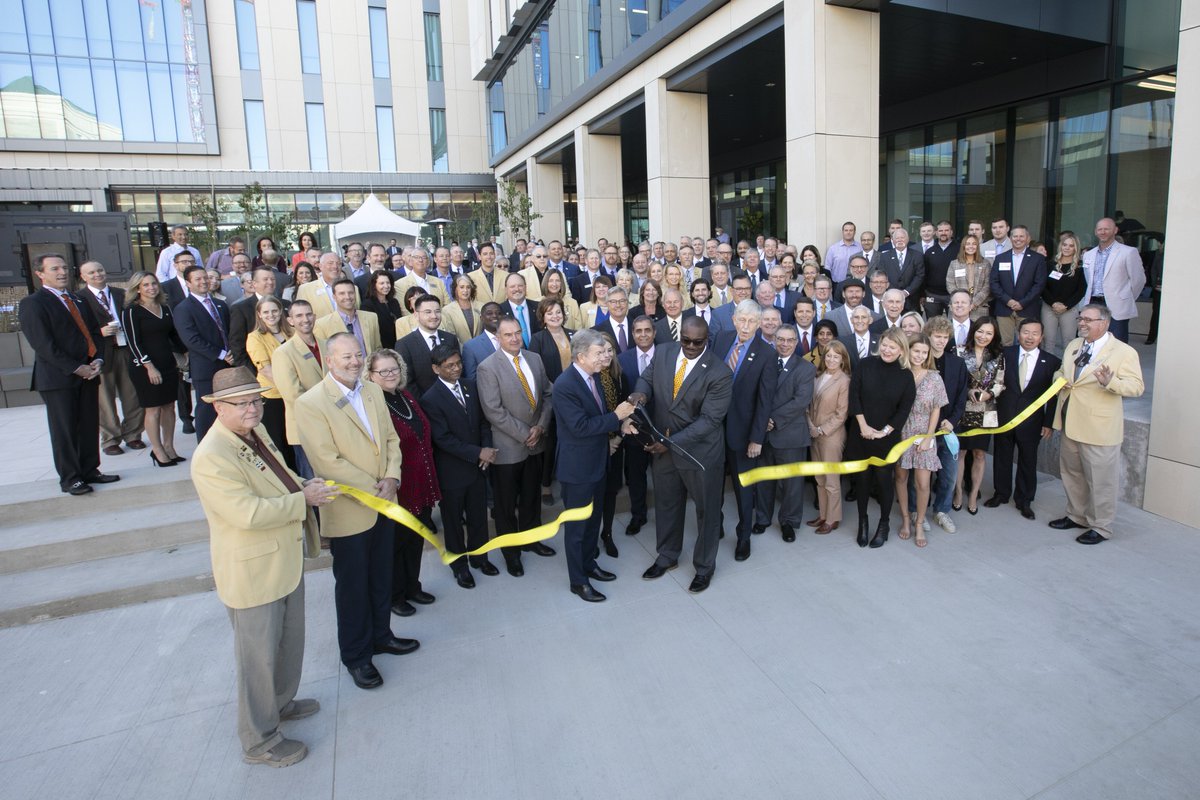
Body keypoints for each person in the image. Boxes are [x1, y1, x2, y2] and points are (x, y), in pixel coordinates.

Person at [190, 367, 332, 768]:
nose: (254, 408)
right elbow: (248, 513)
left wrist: (304, 484)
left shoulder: (253, 433)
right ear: (218, 408)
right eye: (242, 403)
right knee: (257, 659)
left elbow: (282, 477)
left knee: (287, 643)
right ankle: (259, 739)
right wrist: (305, 500)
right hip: (253, 572)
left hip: (282, 560)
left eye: (256, 400)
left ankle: (281, 704)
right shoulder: (211, 456)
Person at [295, 333, 416, 690]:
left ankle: (382, 635)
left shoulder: (373, 390)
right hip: (351, 510)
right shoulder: (311, 403)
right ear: (328, 361)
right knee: (352, 588)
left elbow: (392, 440)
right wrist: (372, 487)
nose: (353, 361)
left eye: (357, 355)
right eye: (345, 356)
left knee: (381, 576)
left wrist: (392, 477)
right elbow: (326, 461)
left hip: (385, 501)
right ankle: (357, 656)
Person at [630, 316, 732, 594]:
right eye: (685, 340)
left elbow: (710, 421)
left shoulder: (720, 373)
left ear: (707, 340)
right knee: (666, 504)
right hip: (663, 448)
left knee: (706, 511)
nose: (689, 346)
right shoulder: (663, 352)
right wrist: (640, 395)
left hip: (699, 454)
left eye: (697, 342)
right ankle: (667, 556)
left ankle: (704, 567)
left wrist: (669, 442)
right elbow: (646, 378)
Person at [19, 254, 118, 495]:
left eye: (64, 267)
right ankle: (71, 478)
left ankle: (89, 470)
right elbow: (43, 344)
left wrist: (97, 360)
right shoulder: (34, 303)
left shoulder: (78, 299)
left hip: (89, 373)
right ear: (40, 274)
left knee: (88, 424)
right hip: (58, 378)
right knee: (65, 429)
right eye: (54, 269)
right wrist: (76, 367)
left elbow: (95, 333)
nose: (62, 272)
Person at [552, 330, 637, 602]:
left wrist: (620, 425)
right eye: (599, 353)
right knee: (577, 529)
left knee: (592, 523)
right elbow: (579, 427)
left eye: (605, 352)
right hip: (577, 470)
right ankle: (578, 581)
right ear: (581, 356)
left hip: (598, 462)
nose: (605, 357)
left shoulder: (597, 377)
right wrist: (616, 416)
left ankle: (589, 564)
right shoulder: (565, 385)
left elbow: (599, 416)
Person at [1050, 305, 1144, 544]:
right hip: (1070, 421)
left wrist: (1111, 382)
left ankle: (1101, 527)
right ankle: (1076, 515)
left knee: (1101, 480)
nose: (1082, 323)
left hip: (1099, 428)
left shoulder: (1123, 352)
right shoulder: (1073, 345)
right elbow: (1062, 371)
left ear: (1104, 323)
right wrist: (1060, 379)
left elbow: (1136, 387)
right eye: (1081, 318)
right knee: (1072, 474)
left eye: (1088, 320)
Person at [476, 317, 557, 577]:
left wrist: (541, 427)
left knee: (532, 499)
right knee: (505, 504)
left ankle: (532, 539)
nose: (514, 338)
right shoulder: (488, 368)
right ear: (498, 338)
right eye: (507, 335)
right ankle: (511, 553)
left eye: (517, 333)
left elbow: (548, 394)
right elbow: (493, 411)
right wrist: (525, 434)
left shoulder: (534, 359)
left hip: (536, 442)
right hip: (508, 448)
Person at [365, 349, 440, 617]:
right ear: (371, 375)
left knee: (415, 538)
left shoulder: (405, 396)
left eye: (394, 369)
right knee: (396, 543)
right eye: (383, 371)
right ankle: (395, 595)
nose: (390, 375)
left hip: (421, 478)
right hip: (399, 484)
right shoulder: (373, 405)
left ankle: (412, 586)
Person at [421, 344, 499, 588]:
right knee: (453, 523)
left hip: (478, 468)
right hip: (452, 472)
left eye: (458, 363)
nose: (456, 369)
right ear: (436, 369)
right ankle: (459, 566)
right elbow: (443, 439)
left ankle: (480, 558)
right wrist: (479, 452)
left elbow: (483, 423)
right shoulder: (430, 399)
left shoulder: (470, 386)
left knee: (478, 517)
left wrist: (486, 450)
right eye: (449, 366)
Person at [714, 300, 778, 561]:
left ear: (759, 323)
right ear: (734, 320)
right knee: (713, 484)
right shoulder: (720, 340)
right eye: (742, 320)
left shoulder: (767, 353)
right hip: (714, 429)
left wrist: (757, 438)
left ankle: (743, 537)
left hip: (743, 433)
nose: (746, 326)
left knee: (743, 488)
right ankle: (714, 525)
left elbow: (765, 401)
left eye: (752, 321)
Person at [985, 319, 1061, 520]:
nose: (1030, 337)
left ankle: (1024, 500)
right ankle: (1000, 494)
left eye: (1035, 333)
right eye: (1026, 332)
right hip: (1005, 416)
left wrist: (1048, 423)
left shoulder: (1052, 361)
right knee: (1002, 457)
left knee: (1028, 461)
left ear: (1042, 337)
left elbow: (1053, 396)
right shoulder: (1005, 354)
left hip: (1032, 421)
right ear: (1019, 334)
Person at [847, 328, 916, 548]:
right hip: (860, 433)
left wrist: (883, 432)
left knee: (885, 482)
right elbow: (854, 396)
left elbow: (904, 410)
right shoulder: (866, 365)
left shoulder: (906, 376)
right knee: (862, 481)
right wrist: (864, 426)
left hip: (886, 438)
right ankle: (863, 522)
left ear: (901, 350)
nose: (887, 350)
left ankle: (884, 524)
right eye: (885, 344)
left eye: (893, 347)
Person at [753, 324, 816, 542]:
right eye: (781, 339)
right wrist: (762, 422)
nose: (785, 344)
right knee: (764, 480)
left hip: (790, 435)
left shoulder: (805, 368)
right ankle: (762, 518)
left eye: (790, 340)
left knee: (791, 484)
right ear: (774, 340)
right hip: (764, 435)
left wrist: (771, 419)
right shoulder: (765, 362)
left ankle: (789, 522)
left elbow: (801, 401)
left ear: (796, 342)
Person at [79, 261, 145, 455]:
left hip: (125, 350)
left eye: (100, 270)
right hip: (101, 353)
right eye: (91, 272)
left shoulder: (121, 294)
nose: (97, 274)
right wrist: (99, 332)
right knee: (105, 399)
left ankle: (133, 435)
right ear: (83, 277)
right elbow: (78, 329)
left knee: (132, 395)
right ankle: (110, 440)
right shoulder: (80, 298)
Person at [122, 271, 187, 467]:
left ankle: (169, 446)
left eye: (154, 284)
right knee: (153, 409)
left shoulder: (164, 307)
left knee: (169, 406)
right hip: (145, 367)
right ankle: (157, 450)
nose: (151, 288)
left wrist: (185, 352)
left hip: (167, 363)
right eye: (146, 285)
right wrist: (149, 366)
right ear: (137, 289)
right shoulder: (132, 311)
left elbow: (173, 335)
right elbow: (133, 342)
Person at [894, 334, 949, 547]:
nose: (920, 355)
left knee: (923, 483)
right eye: (916, 351)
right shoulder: (900, 374)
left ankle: (919, 523)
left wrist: (928, 437)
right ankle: (906, 520)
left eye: (924, 352)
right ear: (908, 350)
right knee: (900, 477)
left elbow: (936, 408)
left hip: (925, 434)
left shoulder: (934, 377)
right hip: (902, 432)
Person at [174, 265, 234, 441]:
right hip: (206, 367)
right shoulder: (184, 308)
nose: (203, 282)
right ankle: (206, 446)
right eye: (198, 279)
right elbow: (191, 340)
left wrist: (230, 353)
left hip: (228, 365)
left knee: (227, 406)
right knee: (207, 409)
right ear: (188, 283)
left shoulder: (220, 304)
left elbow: (228, 331)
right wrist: (221, 354)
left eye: (205, 278)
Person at [921, 316, 968, 535]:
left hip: (948, 428)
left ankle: (941, 510)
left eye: (944, 337)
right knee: (921, 475)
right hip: (922, 430)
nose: (941, 341)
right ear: (928, 336)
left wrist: (954, 421)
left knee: (949, 475)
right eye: (937, 336)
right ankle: (916, 511)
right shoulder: (918, 361)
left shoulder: (957, 364)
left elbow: (961, 397)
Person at [955, 316, 1005, 515]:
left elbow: (1000, 382)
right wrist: (967, 390)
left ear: (994, 336)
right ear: (973, 331)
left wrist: (990, 393)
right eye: (980, 331)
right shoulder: (959, 351)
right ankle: (958, 492)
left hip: (986, 410)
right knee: (960, 453)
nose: (983, 336)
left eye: (989, 333)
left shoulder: (998, 355)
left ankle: (974, 494)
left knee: (979, 454)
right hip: (963, 409)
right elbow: (955, 381)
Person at [271, 300, 325, 478]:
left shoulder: (327, 345)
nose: (305, 319)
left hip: (333, 425)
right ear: (290, 320)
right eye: (299, 316)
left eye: (309, 314)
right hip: (305, 427)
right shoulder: (284, 353)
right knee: (314, 482)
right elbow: (292, 394)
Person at [528, 297, 574, 505]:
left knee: (571, 441)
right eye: (550, 313)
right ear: (542, 317)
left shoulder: (573, 334)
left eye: (558, 312)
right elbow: (537, 371)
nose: (555, 316)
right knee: (551, 442)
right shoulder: (538, 339)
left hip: (574, 398)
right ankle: (546, 485)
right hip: (552, 397)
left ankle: (569, 481)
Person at [244, 296, 294, 466]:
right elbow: (265, 370)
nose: (271, 315)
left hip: (296, 395)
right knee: (280, 443)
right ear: (259, 314)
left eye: (274, 310)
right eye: (266, 312)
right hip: (274, 396)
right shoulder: (255, 337)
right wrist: (291, 388)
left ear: (281, 311)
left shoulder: (292, 332)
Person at [617, 316, 656, 535]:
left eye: (647, 330)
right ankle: (638, 516)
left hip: (661, 426)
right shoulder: (622, 359)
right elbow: (620, 394)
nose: (643, 334)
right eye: (638, 331)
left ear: (654, 332)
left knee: (664, 475)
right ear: (632, 334)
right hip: (634, 429)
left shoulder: (667, 356)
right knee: (636, 476)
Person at [807, 339, 850, 535]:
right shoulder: (818, 376)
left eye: (836, 356)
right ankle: (823, 514)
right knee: (819, 477)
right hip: (813, 433)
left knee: (831, 480)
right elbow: (808, 405)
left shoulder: (844, 381)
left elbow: (842, 414)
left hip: (831, 436)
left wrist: (822, 429)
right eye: (829, 356)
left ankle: (833, 519)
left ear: (842, 360)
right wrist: (811, 426)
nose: (831, 359)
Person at [1081, 217, 1146, 343]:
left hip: (1117, 306)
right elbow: (1088, 278)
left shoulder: (1128, 252)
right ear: (1095, 232)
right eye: (1100, 229)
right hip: (1093, 303)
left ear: (1115, 230)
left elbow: (1138, 279)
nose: (1103, 232)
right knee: (1092, 340)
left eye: (1106, 229)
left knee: (1116, 343)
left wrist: (1126, 297)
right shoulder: (1089, 254)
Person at [990, 225, 1048, 345]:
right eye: (1015, 236)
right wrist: (1008, 301)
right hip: (1004, 308)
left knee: (1027, 343)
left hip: (1027, 308)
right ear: (1010, 238)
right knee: (1005, 343)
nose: (1018, 239)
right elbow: (994, 283)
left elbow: (1039, 284)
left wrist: (1023, 302)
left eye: (1021, 236)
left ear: (1028, 238)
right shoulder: (1000, 258)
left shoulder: (1037, 259)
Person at [396, 294, 460, 395]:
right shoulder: (404, 345)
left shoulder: (450, 338)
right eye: (428, 312)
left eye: (437, 311)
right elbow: (407, 382)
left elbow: (459, 371)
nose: (434, 316)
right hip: (424, 405)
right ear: (416, 315)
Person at [1041, 233, 1088, 357]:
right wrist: (1053, 303)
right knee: (1048, 342)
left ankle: (1066, 372)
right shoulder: (1050, 264)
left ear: (1075, 248)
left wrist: (1066, 305)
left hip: (1069, 309)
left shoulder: (1079, 266)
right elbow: (1042, 287)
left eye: (1071, 246)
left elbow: (1081, 290)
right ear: (1060, 246)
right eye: (1065, 245)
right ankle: (1047, 372)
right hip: (1049, 308)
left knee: (1069, 343)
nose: (1067, 248)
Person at [314, 279, 382, 358]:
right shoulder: (322, 325)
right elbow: (324, 356)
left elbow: (377, 347)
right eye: (342, 293)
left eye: (351, 293)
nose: (347, 297)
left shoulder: (371, 317)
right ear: (334, 297)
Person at [946, 234, 992, 321]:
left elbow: (987, 287)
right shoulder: (954, 264)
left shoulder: (985, 264)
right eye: (967, 244)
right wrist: (962, 302)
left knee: (978, 333)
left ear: (977, 246)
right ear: (963, 246)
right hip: (958, 307)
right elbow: (950, 284)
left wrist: (973, 303)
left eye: (974, 244)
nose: (971, 246)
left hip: (979, 307)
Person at [360, 271, 402, 350]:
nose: (386, 286)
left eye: (388, 283)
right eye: (382, 283)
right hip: (381, 347)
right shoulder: (367, 305)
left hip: (397, 345)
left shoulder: (394, 302)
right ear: (374, 285)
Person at [461, 302, 504, 381]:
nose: (494, 316)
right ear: (481, 318)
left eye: (498, 313)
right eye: (489, 313)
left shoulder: (513, 339)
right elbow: (472, 379)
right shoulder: (471, 347)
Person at [441, 275, 482, 343]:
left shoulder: (481, 306)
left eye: (468, 287)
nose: (465, 290)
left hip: (480, 349)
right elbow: (451, 335)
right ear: (455, 289)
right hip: (459, 350)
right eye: (461, 287)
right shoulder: (447, 311)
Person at [839, 305, 878, 370]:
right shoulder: (843, 342)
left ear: (870, 320)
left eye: (864, 317)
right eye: (856, 317)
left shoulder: (880, 340)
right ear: (851, 320)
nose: (860, 321)